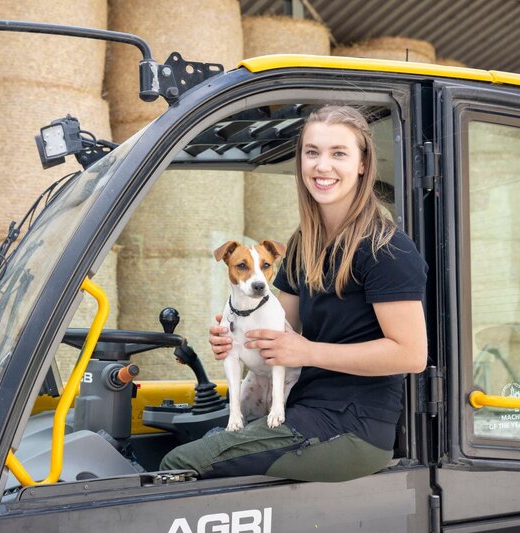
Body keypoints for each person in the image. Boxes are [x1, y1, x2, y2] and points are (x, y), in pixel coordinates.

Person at [160, 105, 428, 481]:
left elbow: (411, 355)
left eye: (339, 153)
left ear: (363, 164)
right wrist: (234, 335)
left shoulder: (387, 249)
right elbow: (275, 327)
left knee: (178, 464)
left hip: (352, 428)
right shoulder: (305, 243)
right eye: (312, 152)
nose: (322, 166)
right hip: (301, 407)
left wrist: (308, 351)